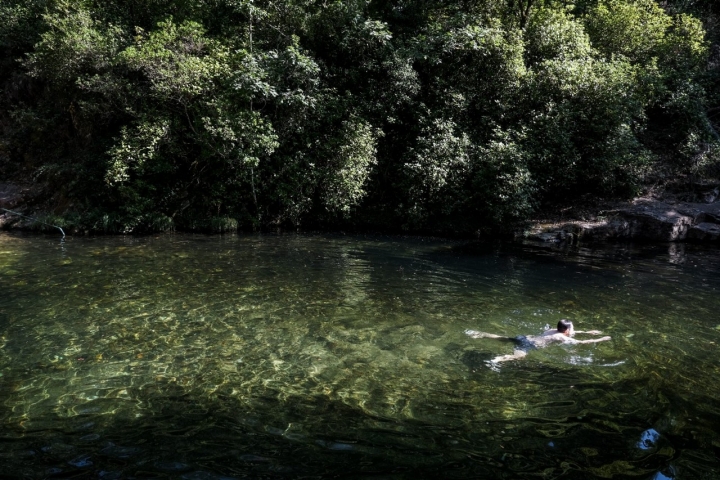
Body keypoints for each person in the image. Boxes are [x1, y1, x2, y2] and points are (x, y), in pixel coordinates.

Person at [464, 319, 611, 364]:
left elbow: (572, 333)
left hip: (525, 337)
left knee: (505, 339)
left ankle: (481, 334)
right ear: (566, 331)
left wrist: (587, 331)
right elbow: (582, 343)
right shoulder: (561, 337)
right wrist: (601, 338)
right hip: (530, 345)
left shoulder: (553, 330)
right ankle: (497, 360)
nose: (573, 330)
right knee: (519, 356)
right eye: (571, 329)